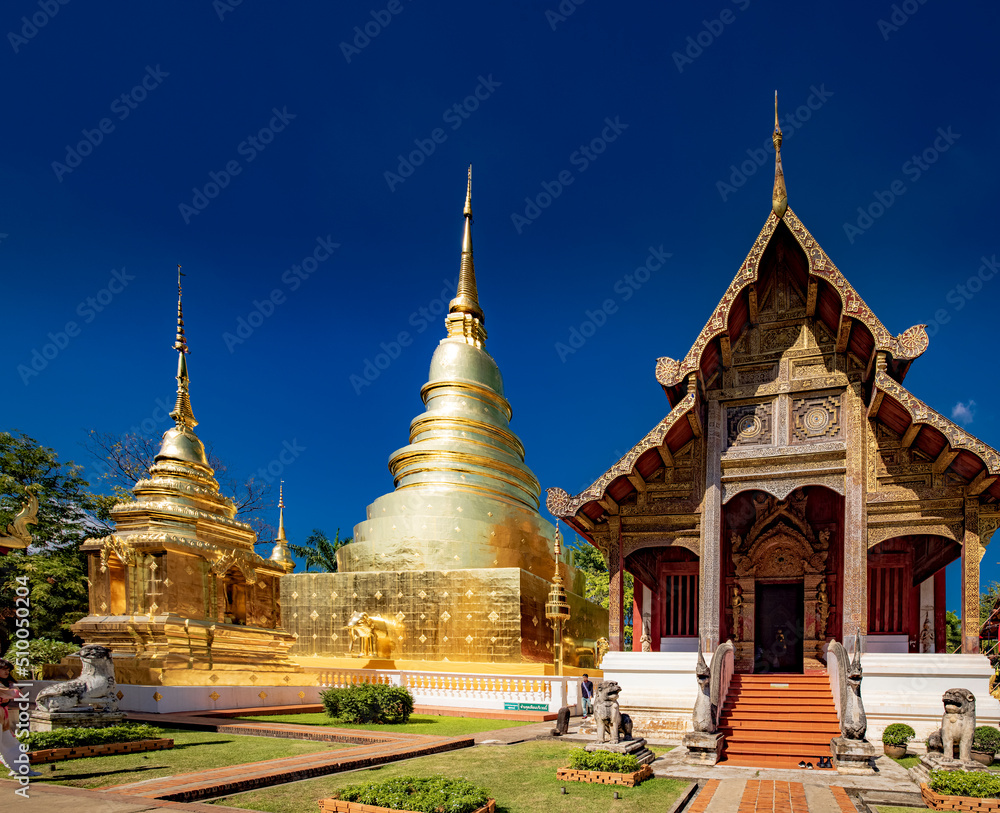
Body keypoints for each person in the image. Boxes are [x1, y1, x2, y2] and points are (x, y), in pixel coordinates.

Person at [0, 658, 39, 777]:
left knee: (11, 743)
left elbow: (15, 693)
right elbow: (13, 693)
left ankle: (22, 770)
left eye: (8, 670)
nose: (7, 672)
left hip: (2, 717)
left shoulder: (6, 684)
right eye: (4, 669)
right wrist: (13, 689)